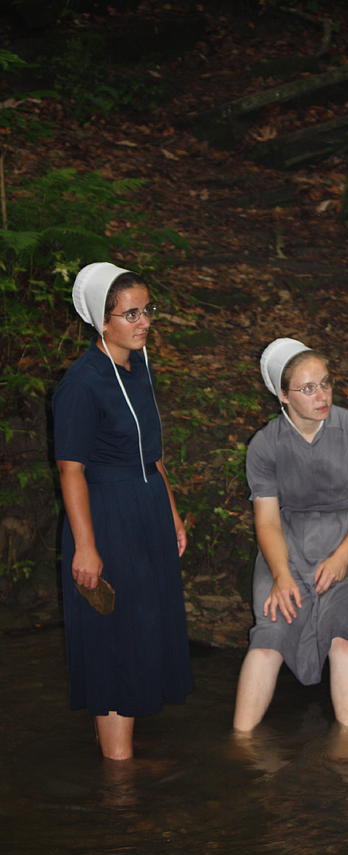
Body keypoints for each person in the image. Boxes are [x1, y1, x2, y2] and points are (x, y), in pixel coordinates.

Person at [53, 262, 192, 760]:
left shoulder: (140, 365)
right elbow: (71, 470)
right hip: (107, 515)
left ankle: (118, 759)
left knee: (142, 629)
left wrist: (171, 511)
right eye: (130, 313)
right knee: (113, 637)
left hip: (147, 507)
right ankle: (120, 778)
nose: (143, 321)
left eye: (146, 310)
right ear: (101, 321)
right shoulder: (81, 384)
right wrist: (86, 547)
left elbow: (150, 452)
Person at [233, 339, 348, 732]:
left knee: (342, 633)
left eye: (325, 383)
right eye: (307, 389)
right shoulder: (265, 444)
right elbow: (266, 521)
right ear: (283, 396)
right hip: (287, 548)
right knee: (269, 632)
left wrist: (341, 559)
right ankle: (242, 745)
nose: (321, 396)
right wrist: (281, 575)